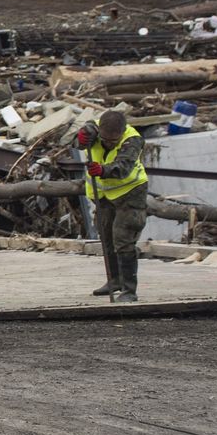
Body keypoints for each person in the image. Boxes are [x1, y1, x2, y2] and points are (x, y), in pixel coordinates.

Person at [78, 108, 149, 303]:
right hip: (104, 196)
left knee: (123, 239)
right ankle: (114, 280)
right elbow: (80, 141)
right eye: (105, 139)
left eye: (113, 140)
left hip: (131, 194)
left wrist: (102, 170)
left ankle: (129, 290)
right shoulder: (94, 130)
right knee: (107, 236)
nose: (109, 143)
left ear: (122, 131)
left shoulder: (133, 140)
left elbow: (124, 166)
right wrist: (81, 138)